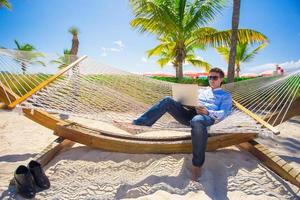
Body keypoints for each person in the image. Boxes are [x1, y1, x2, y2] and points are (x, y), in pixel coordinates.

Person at [115, 67, 232, 181]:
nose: (211, 79)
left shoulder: (225, 96)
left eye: (215, 78)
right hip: (190, 112)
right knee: (167, 100)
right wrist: (186, 102)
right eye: (210, 77)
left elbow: (224, 113)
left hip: (205, 117)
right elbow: (190, 100)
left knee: (197, 120)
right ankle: (138, 125)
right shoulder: (202, 91)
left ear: (221, 79)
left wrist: (207, 111)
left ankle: (197, 165)